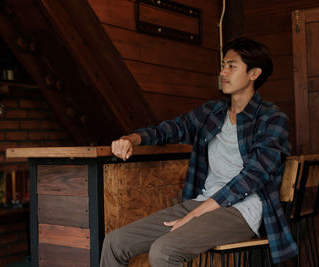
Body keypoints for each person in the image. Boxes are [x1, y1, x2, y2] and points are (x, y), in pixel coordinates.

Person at [100, 37, 298, 267]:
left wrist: (196, 214)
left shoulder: (272, 119)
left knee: (163, 251)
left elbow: (252, 177)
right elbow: (171, 129)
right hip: (203, 202)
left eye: (232, 66)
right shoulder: (211, 112)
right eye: (223, 65)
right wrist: (130, 139)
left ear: (254, 73)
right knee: (115, 243)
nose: (223, 72)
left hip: (243, 210)